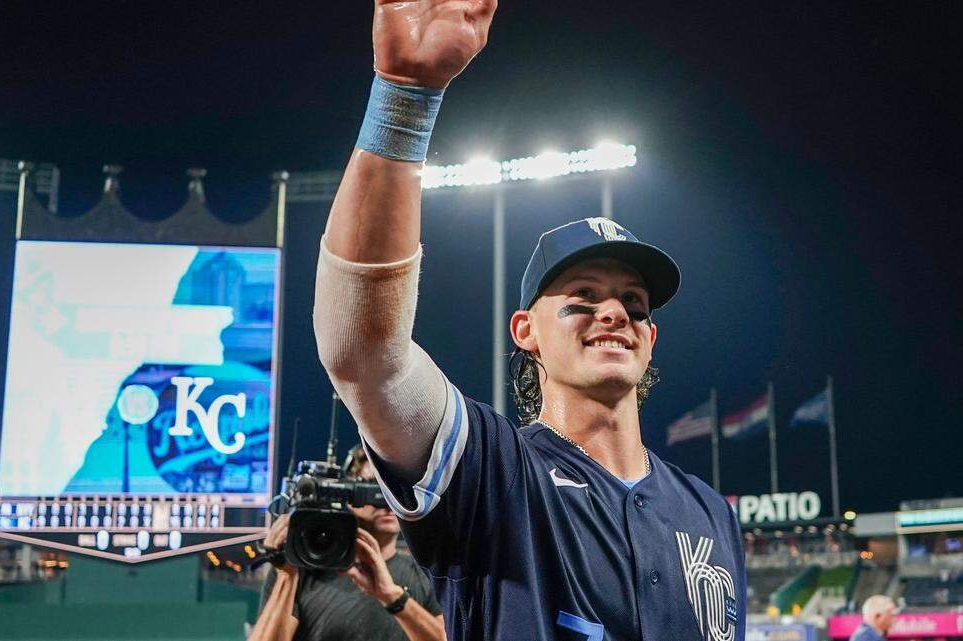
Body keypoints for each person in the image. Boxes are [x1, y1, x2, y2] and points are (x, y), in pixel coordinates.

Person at [312, 2, 747, 640]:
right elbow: (364, 352)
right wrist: (405, 99)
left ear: (650, 337)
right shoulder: (491, 471)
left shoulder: (710, 514)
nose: (613, 312)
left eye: (633, 303)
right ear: (526, 331)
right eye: (582, 295)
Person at [252, 447, 445, 641]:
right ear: (350, 496)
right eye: (374, 487)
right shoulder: (300, 568)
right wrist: (287, 576)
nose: (388, 500)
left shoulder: (425, 575)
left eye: (397, 489)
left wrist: (392, 596)